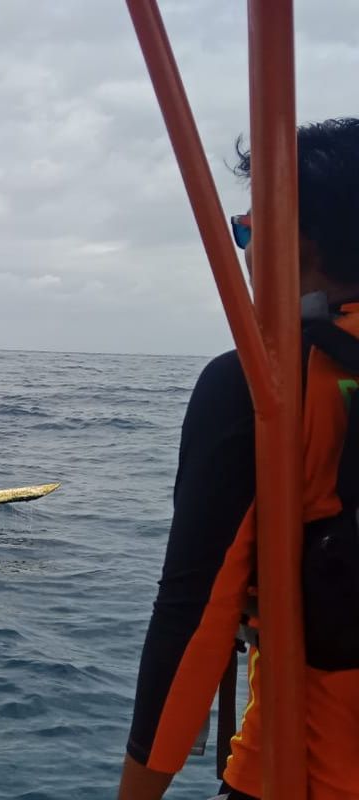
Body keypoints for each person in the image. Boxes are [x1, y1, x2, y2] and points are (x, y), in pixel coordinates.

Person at [119, 118, 359, 799]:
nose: (245, 253)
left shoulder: (260, 386)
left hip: (304, 775)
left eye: (247, 231)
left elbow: (194, 616)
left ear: (295, 244)